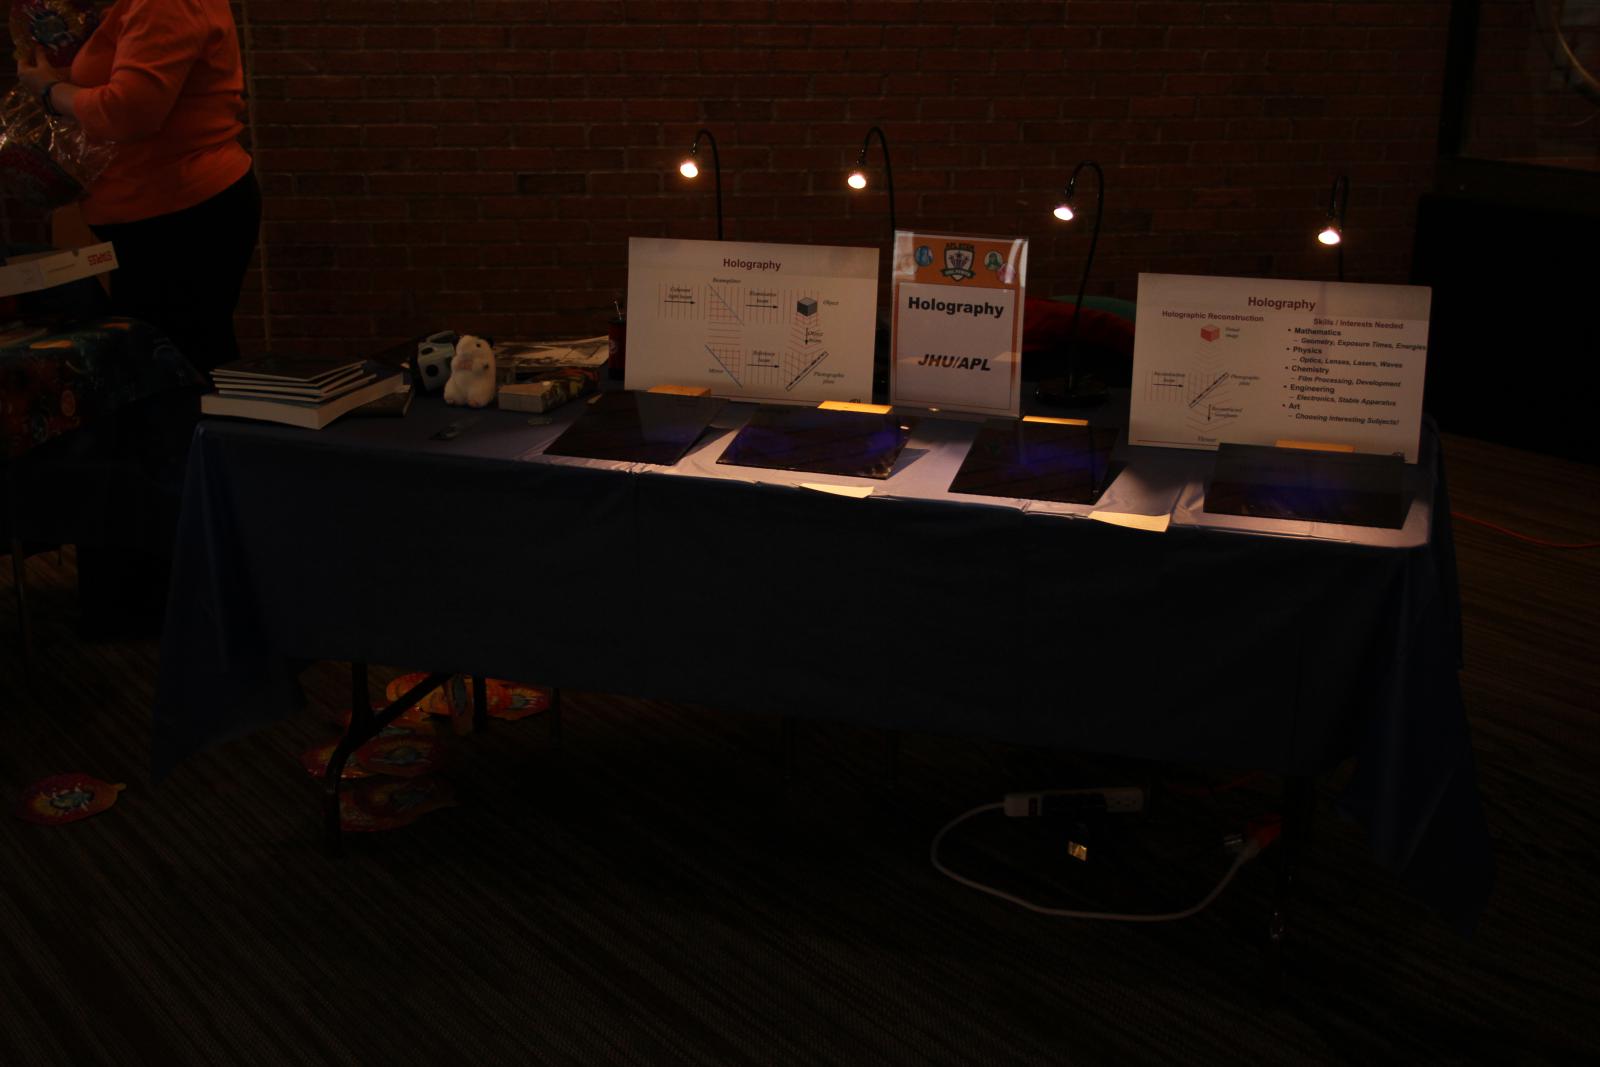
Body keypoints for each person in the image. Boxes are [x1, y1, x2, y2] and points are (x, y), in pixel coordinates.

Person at [16, 0, 260, 373]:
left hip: (180, 212)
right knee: (167, 364)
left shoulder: (162, 5)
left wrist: (50, 90)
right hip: (153, 209)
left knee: (181, 366)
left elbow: (129, 112)